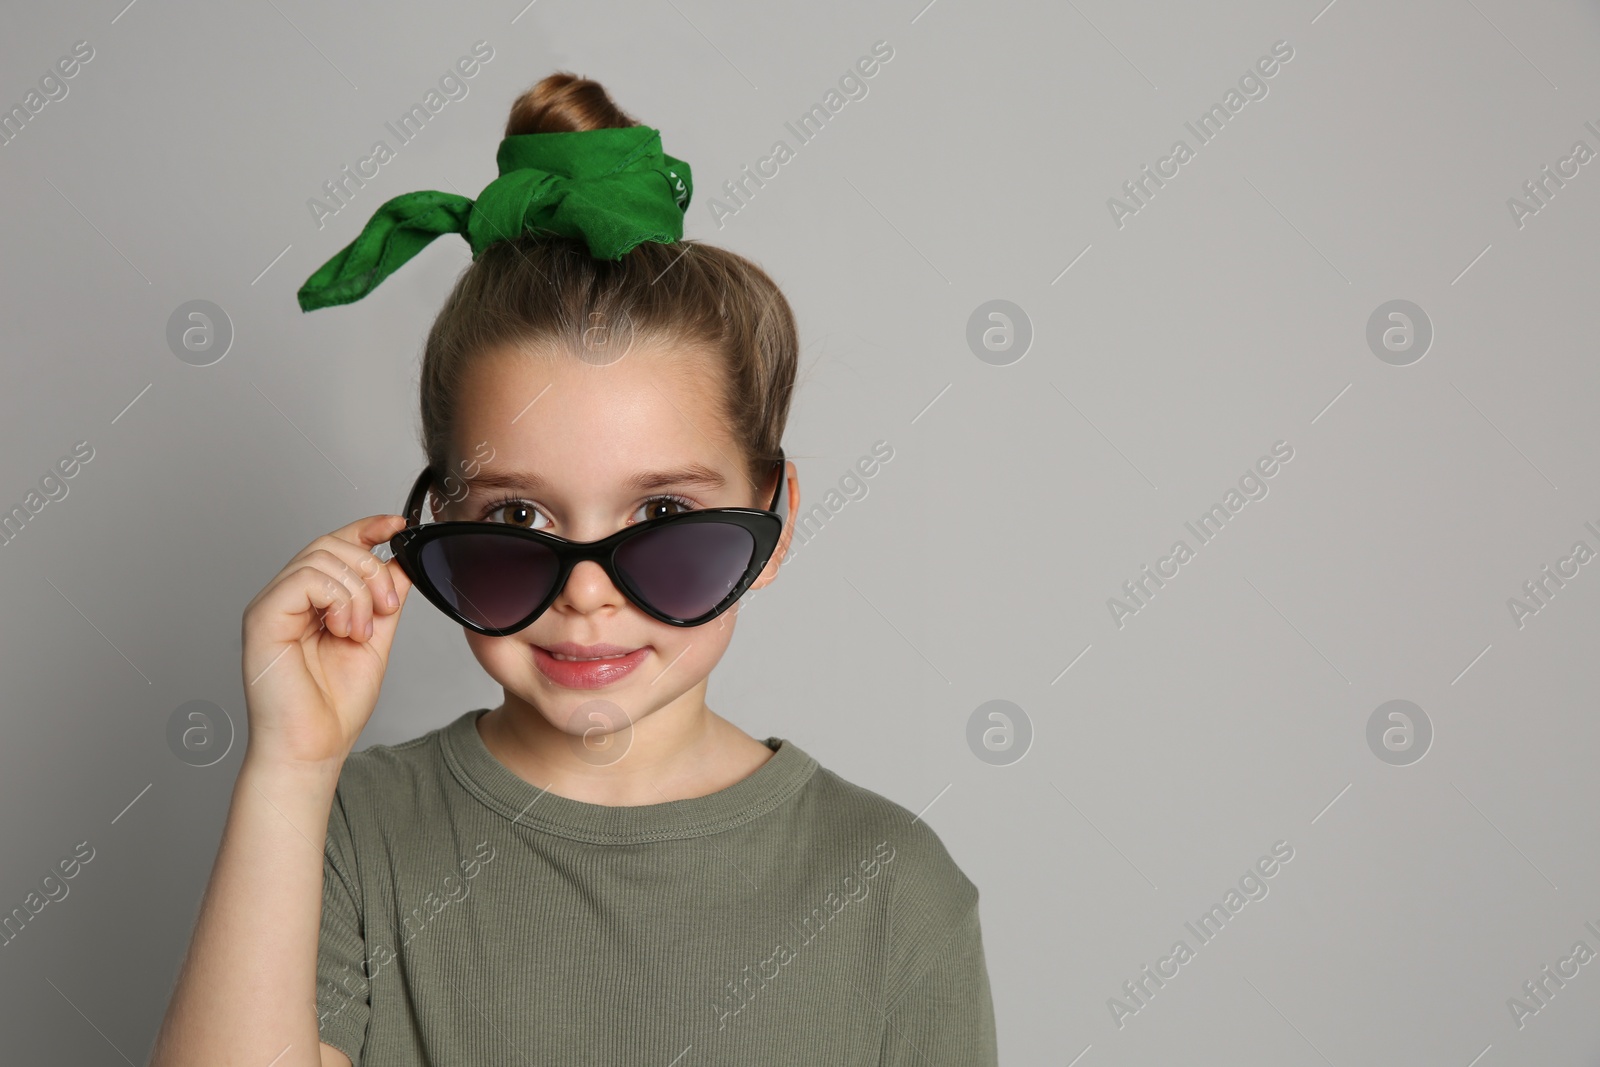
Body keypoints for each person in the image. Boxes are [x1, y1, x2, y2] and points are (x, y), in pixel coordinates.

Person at [151, 71, 996, 1067]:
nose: (585, 590)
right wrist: (289, 767)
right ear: (437, 519)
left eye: (663, 512)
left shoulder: (892, 884)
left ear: (775, 513)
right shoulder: (345, 833)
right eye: (517, 514)